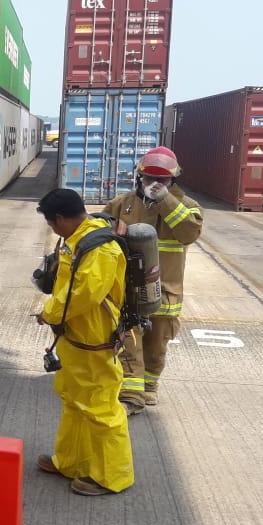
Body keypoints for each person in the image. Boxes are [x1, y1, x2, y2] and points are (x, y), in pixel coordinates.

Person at [34, 188, 134, 496]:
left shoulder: (100, 250)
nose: (52, 230)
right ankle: (71, 462)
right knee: (74, 401)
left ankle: (111, 476)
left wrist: (49, 313)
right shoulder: (78, 241)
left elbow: (83, 294)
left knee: (101, 408)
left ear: (62, 219)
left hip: (95, 341)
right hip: (76, 339)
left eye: (52, 224)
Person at [102, 147, 203, 415]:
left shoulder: (187, 207)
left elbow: (189, 233)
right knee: (128, 340)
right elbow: (99, 229)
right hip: (127, 289)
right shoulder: (122, 204)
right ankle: (131, 395)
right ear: (139, 177)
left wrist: (165, 200)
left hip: (165, 291)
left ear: (173, 181)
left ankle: (149, 387)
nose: (154, 185)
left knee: (156, 347)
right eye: (148, 179)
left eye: (162, 181)